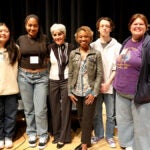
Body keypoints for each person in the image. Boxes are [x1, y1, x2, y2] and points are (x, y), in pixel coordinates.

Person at [113, 13, 150, 150]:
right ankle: (128, 145)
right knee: (124, 123)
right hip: (121, 92)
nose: (138, 26)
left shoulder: (148, 44)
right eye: (135, 24)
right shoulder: (127, 41)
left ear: (146, 27)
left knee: (142, 127)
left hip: (139, 94)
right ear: (130, 27)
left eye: (141, 24)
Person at [17, 14, 49, 149]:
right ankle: (31, 132)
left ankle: (43, 134)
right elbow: (17, 57)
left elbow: (48, 56)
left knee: (40, 108)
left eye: (35, 25)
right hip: (24, 77)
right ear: (25, 26)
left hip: (41, 77)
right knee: (28, 108)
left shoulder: (45, 38)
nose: (32, 28)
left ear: (38, 26)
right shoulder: (21, 39)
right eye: (29, 25)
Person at [68, 26, 103, 150]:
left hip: (89, 92)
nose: (83, 39)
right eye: (81, 36)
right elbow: (70, 73)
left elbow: (99, 74)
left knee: (87, 118)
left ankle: (84, 146)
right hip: (77, 92)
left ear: (90, 38)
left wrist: (94, 92)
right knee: (81, 117)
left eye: (86, 36)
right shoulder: (73, 53)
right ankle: (87, 140)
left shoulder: (96, 54)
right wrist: (69, 91)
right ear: (77, 38)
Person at [90, 17, 121, 148]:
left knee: (110, 114)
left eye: (107, 26)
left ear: (111, 28)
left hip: (110, 85)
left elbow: (118, 67)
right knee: (96, 113)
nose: (104, 28)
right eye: (102, 26)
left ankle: (109, 136)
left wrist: (107, 83)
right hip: (96, 87)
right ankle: (98, 134)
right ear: (98, 28)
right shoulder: (92, 45)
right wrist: (97, 84)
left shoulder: (118, 46)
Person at [48, 23, 74, 149]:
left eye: (60, 34)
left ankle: (64, 137)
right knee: (54, 109)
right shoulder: (49, 48)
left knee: (66, 108)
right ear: (52, 36)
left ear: (64, 34)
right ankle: (56, 134)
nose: (58, 36)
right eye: (55, 34)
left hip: (66, 81)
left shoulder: (71, 47)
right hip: (52, 81)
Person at [0, 23, 20, 149]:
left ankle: (8, 137)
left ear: (9, 33)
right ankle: (0, 137)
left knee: (11, 115)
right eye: (0, 31)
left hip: (11, 89)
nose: (3, 33)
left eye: (5, 31)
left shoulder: (15, 48)